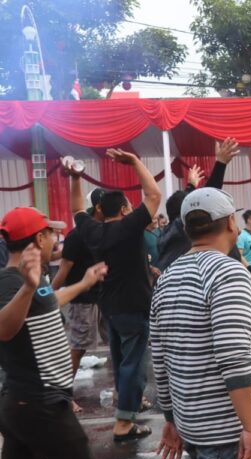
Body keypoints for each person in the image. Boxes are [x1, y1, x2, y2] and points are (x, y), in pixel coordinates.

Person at [151, 188, 251, 459]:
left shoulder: (168, 278)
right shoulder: (228, 273)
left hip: (193, 421)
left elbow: (159, 356)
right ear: (232, 223)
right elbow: (234, 356)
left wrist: (170, 417)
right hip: (228, 428)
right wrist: (249, 427)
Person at [0, 207, 107, 459]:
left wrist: (84, 283)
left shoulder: (31, 280)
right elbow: (4, 329)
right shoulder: (10, 281)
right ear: (39, 238)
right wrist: (28, 287)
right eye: (51, 234)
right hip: (38, 402)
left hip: (26, 404)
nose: (55, 240)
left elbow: (47, 302)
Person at [69, 148, 162, 442]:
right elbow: (154, 195)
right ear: (123, 209)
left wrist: (75, 177)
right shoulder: (129, 228)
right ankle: (124, 423)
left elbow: (76, 210)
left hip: (109, 307)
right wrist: (135, 161)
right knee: (134, 365)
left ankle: (126, 410)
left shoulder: (93, 231)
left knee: (122, 361)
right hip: (134, 307)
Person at [52, 189, 109, 414]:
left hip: (102, 297)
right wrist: (46, 298)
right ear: (98, 208)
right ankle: (63, 396)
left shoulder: (103, 231)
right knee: (77, 349)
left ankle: (126, 394)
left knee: (118, 345)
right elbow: (64, 268)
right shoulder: (78, 235)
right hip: (82, 299)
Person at [157, 138, 241, 271]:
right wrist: (220, 164)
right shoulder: (179, 229)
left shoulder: (167, 234)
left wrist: (191, 186)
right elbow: (205, 201)